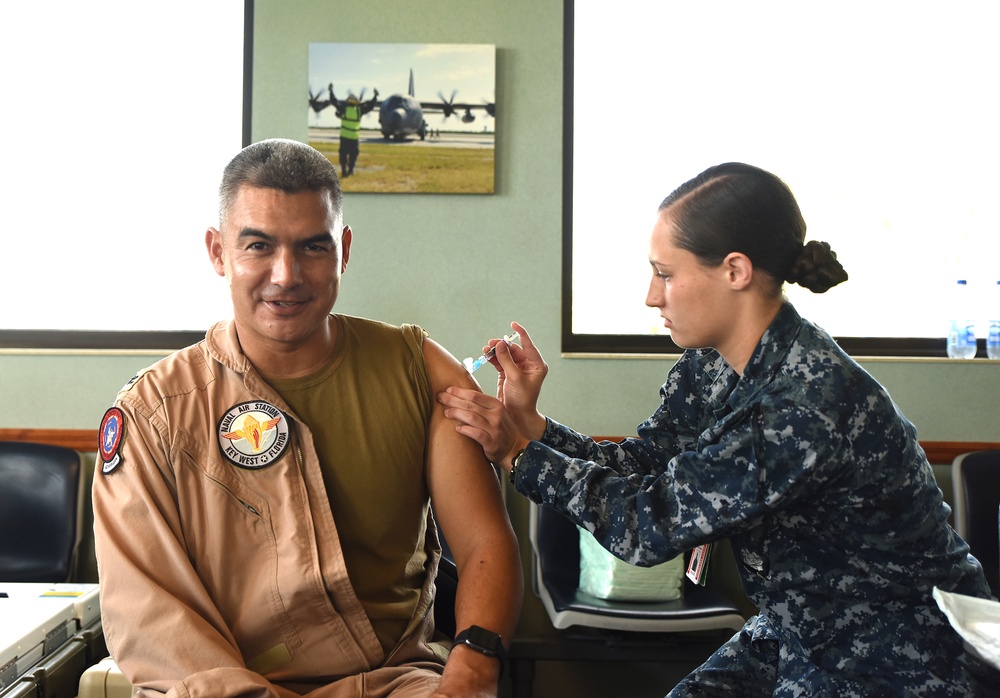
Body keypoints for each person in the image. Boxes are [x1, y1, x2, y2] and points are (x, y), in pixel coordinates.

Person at [438, 162, 995, 695]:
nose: (651, 296)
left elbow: (647, 525)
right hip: (798, 629)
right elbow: (647, 465)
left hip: (895, 654)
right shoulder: (715, 362)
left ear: (735, 271)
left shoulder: (804, 405)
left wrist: (518, 452)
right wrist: (534, 429)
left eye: (665, 274)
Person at [92, 138, 522, 698]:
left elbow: (485, 542)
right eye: (258, 246)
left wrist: (471, 673)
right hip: (224, 688)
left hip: (396, 681)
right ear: (218, 252)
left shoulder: (419, 370)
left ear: (344, 250)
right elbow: (150, 615)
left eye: (313, 247)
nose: (286, 275)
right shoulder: (153, 413)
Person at [329, 84, 380, 177]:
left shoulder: (343, 109)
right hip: (354, 137)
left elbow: (334, 102)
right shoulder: (359, 111)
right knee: (354, 154)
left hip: (344, 136)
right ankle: (351, 169)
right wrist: (375, 97)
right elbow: (370, 106)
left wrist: (331, 91)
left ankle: (344, 170)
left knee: (343, 153)